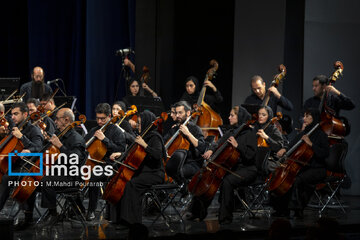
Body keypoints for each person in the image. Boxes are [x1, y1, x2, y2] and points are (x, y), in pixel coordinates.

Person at [187, 106, 253, 222]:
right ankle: (197, 212)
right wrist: (211, 150)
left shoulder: (249, 134)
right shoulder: (231, 131)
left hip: (246, 168)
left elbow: (250, 156)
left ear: (240, 117)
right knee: (206, 178)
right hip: (230, 167)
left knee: (226, 181)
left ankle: (225, 218)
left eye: (232, 115)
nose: (229, 117)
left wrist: (237, 146)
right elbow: (217, 143)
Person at [109, 110, 165, 226]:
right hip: (143, 171)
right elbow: (134, 153)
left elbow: (157, 155)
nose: (138, 126)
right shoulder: (143, 135)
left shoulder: (155, 137)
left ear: (146, 122)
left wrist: (144, 144)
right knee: (122, 182)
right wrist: (122, 154)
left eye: (139, 123)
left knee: (132, 184)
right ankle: (118, 219)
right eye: (138, 123)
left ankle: (132, 221)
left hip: (154, 173)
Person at [271, 108, 329, 218]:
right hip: (304, 167)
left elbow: (325, 153)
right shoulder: (305, 132)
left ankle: (298, 210)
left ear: (314, 118)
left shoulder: (321, 135)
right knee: (283, 177)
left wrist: (311, 144)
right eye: (304, 116)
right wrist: (285, 149)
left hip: (317, 168)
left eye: (307, 116)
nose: (304, 118)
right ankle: (281, 209)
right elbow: (292, 144)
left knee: (298, 180)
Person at [38, 108, 87, 227]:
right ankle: (28, 214)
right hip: (60, 174)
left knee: (46, 181)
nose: (55, 121)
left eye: (57, 119)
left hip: (72, 178)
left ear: (66, 120)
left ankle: (53, 214)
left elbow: (75, 161)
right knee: (34, 178)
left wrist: (60, 146)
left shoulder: (76, 139)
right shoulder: (62, 135)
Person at [0, 102, 44, 229]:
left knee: (7, 178)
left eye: (16, 114)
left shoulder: (33, 129)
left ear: (25, 114)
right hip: (13, 163)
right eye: (12, 114)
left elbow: (38, 147)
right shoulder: (14, 128)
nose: (12, 117)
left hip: (27, 166)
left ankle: (28, 216)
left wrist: (23, 138)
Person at [83, 103, 126, 221]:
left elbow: (121, 150)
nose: (100, 121)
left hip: (110, 165)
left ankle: (91, 210)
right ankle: (77, 208)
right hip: (93, 163)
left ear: (109, 116)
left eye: (102, 119)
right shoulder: (93, 130)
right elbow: (83, 146)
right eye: (97, 118)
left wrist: (105, 140)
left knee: (93, 177)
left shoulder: (116, 131)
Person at [164, 101, 207, 182]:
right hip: (175, 163)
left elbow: (202, 148)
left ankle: (182, 190)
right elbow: (163, 143)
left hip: (191, 163)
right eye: (176, 113)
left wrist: (188, 134)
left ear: (188, 113)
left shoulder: (195, 129)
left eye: (180, 113)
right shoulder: (174, 129)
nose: (177, 115)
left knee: (176, 172)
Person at [253, 106, 285, 174]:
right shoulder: (255, 127)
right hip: (254, 159)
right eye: (259, 114)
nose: (260, 116)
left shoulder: (273, 129)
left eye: (263, 115)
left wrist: (266, 137)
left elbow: (279, 146)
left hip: (268, 160)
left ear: (269, 116)